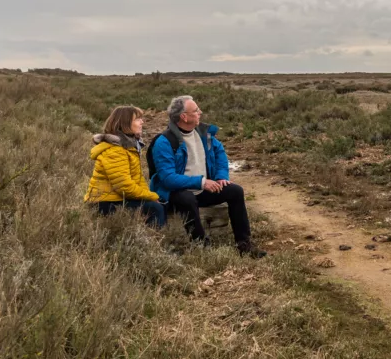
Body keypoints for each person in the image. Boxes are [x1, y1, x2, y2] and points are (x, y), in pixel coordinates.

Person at [148, 95, 265, 257]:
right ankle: (202, 246)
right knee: (186, 199)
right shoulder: (164, 142)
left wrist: (221, 176)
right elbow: (167, 178)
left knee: (235, 191)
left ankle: (244, 245)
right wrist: (201, 182)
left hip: (201, 189)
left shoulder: (204, 134)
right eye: (196, 110)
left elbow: (219, 154)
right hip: (175, 192)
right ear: (184, 117)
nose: (200, 112)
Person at [85, 105, 166, 227]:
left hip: (117, 199)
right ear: (126, 124)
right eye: (138, 119)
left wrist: (149, 196)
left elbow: (138, 180)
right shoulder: (115, 150)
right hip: (104, 203)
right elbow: (124, 186)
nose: (142, 122)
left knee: (158, 204)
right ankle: (152, 241)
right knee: (154, 208)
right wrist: (152, 196)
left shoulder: (129, 146)